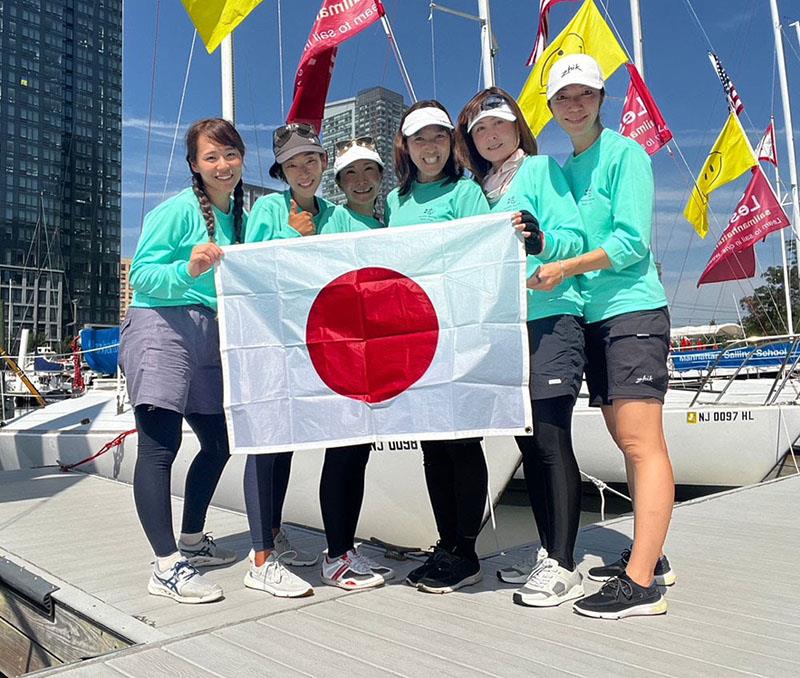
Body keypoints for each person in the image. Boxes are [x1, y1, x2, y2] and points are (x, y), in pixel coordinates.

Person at [532, 54, 676, 619]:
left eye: (584, 94)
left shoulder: (625, 154)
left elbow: (631, 243)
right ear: (551, 107)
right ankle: (652, 553)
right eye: (564, 97)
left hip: (632, 309)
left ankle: (641, 585)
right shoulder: (564, 170)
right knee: (625, 438)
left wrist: (565, 270)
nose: (574, 104)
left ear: (600, 99)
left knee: (642, 443)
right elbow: (562, 242)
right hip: (590, 317)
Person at [455, 87, 587, 608]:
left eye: (499, 126)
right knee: (528, 444)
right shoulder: (479, 188)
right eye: (480, 129)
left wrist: (541, 241)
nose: (491, 135)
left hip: (550, 318)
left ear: (517, 128)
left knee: (552, 439)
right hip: (503, 328)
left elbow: (572, 235)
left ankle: (564, 563)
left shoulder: (538, 170)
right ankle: (548, 555)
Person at [244, 123, 384, 595]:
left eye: (310, 161)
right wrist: (290, 238)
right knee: (272, 444)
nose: (303, 170)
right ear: (281, 172)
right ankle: (263, 551)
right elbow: (248, 271)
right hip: (279, 348)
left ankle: (339, 551)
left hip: (333, 351)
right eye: (292, 164)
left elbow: (361, 265)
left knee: (349, 442)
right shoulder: (267, 208)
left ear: (324, 165)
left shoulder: (340, 217)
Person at [119, 118, 246, 604]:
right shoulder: (174, 212)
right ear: (194, 164)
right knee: (159, 447)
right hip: (162, 325)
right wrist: (187, 267)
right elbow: (144, 275)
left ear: (240, 159)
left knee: (219, 442)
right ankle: (166, 564)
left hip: (211, 331)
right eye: (210, 157)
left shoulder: (237, 215)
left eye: (229, 154)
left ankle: (192, 540)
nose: (221, 165)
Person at [385, 100, 491, 594]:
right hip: (414, 341)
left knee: (462, 443)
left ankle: (466, 551)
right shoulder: (395, 203)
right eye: (420, 139)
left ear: (452, 143)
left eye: (439, 137)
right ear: (405, 147)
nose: (431, 148)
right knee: (432, 448)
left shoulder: (466, 193)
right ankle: (446, 544)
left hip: (458, 336)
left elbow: (479, 260)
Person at [310, 138, 397, 590]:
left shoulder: (388, 222)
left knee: (358, 452)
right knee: (343, 453)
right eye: (350, 174)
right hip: (341, 353)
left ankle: (344, 549)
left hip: (375, 355)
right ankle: (335, 553)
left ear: (381, 177)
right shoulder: (332, 220)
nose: (361, 181)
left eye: (369, 171)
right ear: (339, 183)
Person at [334, 136, 386, 229]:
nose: (361, 181)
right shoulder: (336, 218)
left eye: (368, 169)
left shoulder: (386, 225)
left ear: (380, 175)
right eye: (351, 172)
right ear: (339, 183)